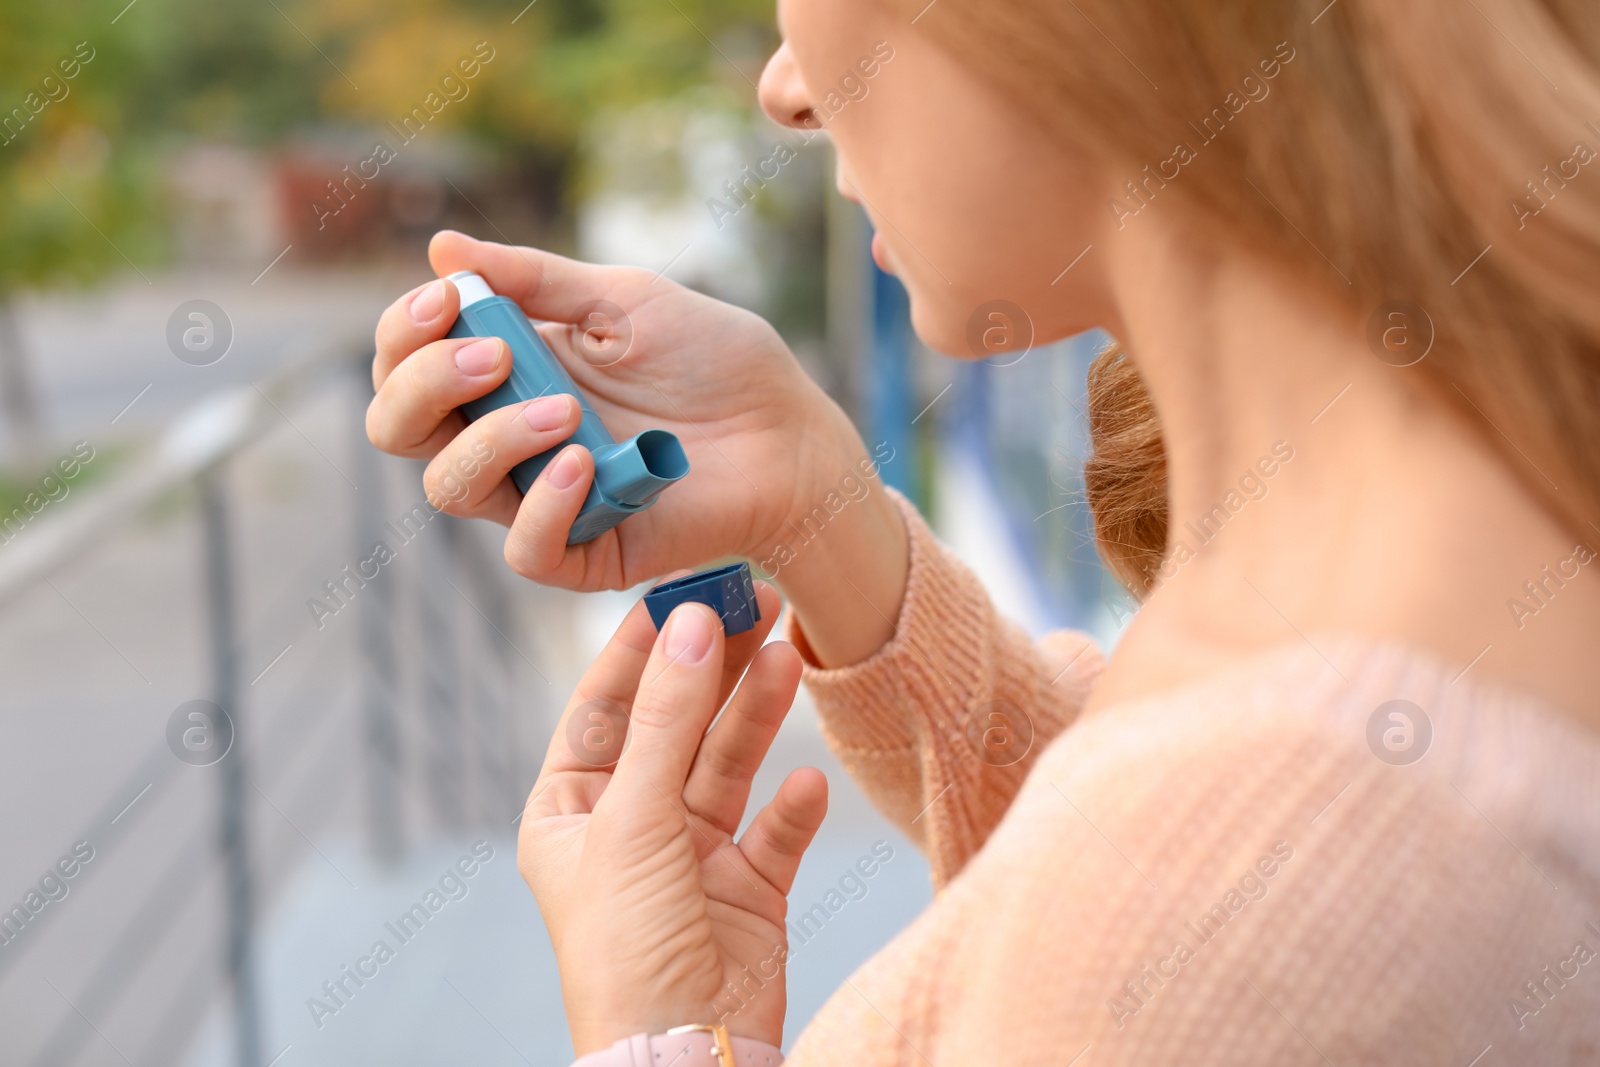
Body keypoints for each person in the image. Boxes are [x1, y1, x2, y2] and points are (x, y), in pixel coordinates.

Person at [365, 0, 1600, 1062]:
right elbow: (1122, 876)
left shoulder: (1290, 855)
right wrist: (814, 495)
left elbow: (1172, 923)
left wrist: (653, 1030)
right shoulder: (1431, 564)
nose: (785, 89)